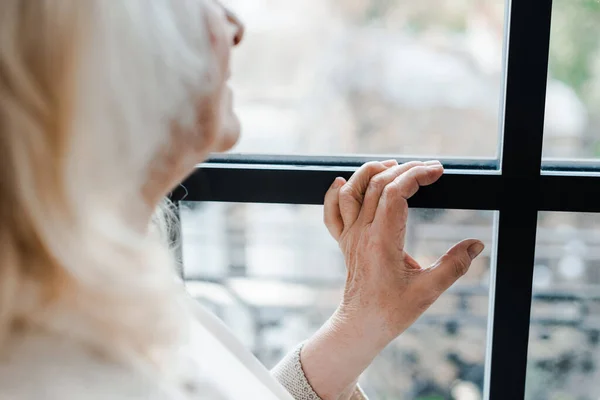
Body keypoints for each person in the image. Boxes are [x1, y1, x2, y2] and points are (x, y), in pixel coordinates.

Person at [0, 1, 485, 399]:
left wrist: (362, 321)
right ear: (107, 59)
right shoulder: (60, 369)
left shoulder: (85, 281)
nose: (234, 25)